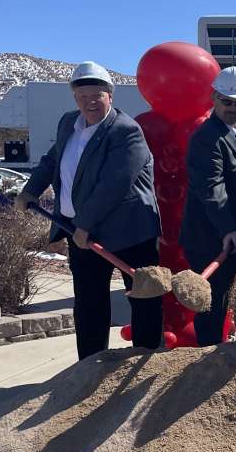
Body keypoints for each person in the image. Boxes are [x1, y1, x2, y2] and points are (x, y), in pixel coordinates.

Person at [15, 61, 163, 359]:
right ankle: (91, 367)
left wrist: (85, 224)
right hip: (80, 232)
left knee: (144, 298)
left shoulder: (126, 131)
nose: (89, 102)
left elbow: (115, 184)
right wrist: (30, 189)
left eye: (96, 95)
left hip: (129, 234)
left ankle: (144, 362)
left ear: (110, 95)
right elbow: (52, 160)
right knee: (89, 303)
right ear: (74, 99)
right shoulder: (69, 123)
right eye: (82, 97)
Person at [180, 66, 236, 345]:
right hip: (211, 239)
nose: (231, 108)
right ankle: (208, 369)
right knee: (212, 310)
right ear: (214, 97)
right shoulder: (206, 138)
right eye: (226, 101)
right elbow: (211, 187)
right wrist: (227, 228)